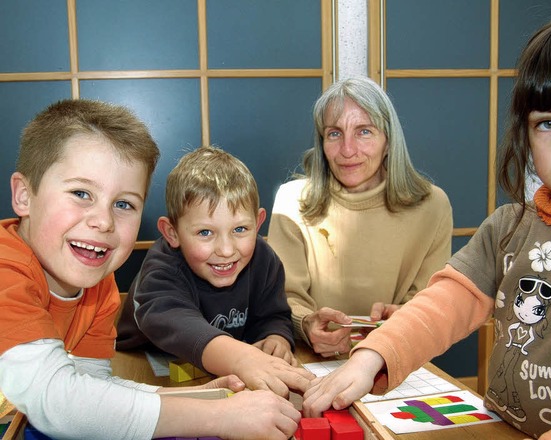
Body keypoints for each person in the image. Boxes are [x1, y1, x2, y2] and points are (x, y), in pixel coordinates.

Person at [303, 6, 551, 439]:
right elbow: (444, 302)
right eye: (547, 124)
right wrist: (371, 357)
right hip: (502, 425)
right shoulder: (510, 225)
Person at [0, 100, 301, 440]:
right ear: (24, 196)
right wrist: (217, 416)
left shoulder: (97, 282)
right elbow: (58, 402)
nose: (103, 221)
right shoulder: (5, 270)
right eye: (81, 193)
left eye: (123, 204)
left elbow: (93, 388)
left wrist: (196, 398)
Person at [267, 76, 453, 357]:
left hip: (397, 357)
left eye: (364, 131)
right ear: (322, 143)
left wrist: (406, 318)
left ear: (388, 141)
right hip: (311, 358)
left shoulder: (432, 206)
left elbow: (431, 303)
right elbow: (284, 296)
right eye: (334, 133)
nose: (347, 150)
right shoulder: (292, 201)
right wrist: (306, 324)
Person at [117, 145, 315, 398]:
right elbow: (173, 320)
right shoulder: (161, 268)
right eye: (205, 232)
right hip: (142, 368)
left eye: (240, 229)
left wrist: (276, 337)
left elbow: (273, 314)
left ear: (258, 223)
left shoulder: (264, 260)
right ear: (172, 233)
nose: (225, 249)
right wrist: (242, 358)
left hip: (227, 368)